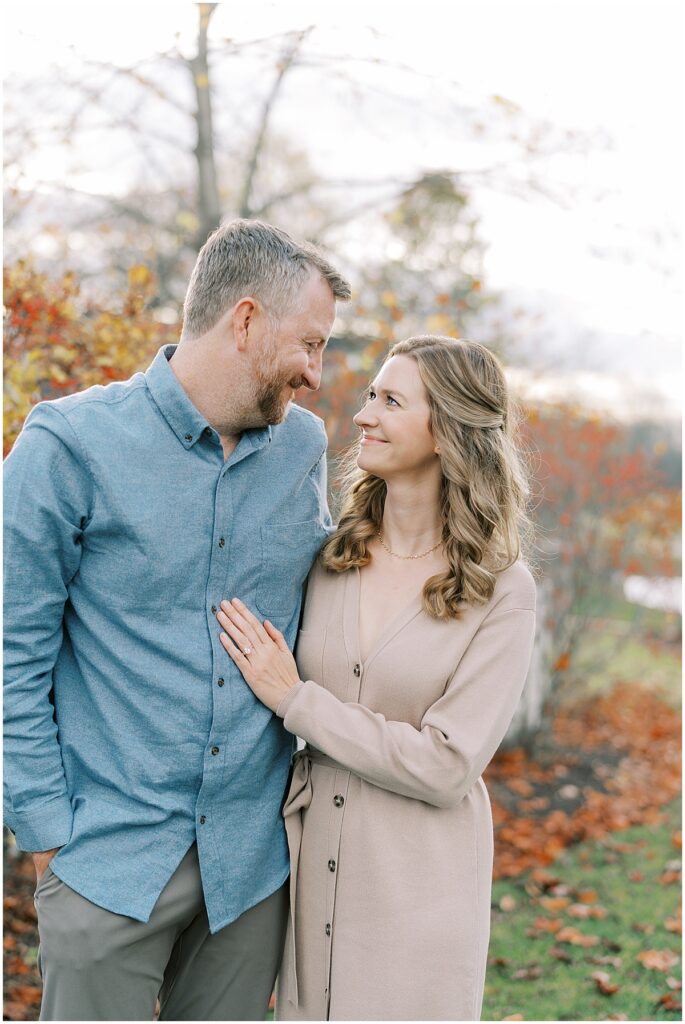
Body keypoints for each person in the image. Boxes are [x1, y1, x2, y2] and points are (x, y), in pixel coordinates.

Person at [3, 218, 351, 1021]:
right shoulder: (67, 445)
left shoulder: (301, 448)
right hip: (108, 862)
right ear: (245, 321)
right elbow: (9, 653)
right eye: (309, 343)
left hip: (250, 871)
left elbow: (334, 600)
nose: (317, 374)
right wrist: (48, 830)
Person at [216, 334, 537, 1022]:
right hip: (310, 883)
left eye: (390, 401)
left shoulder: (502, 589)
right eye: (369, 396)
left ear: (448, 432)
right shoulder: (331, 555)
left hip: (416, 893)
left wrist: (296, 701)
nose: (363, 415)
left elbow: (448, 763)